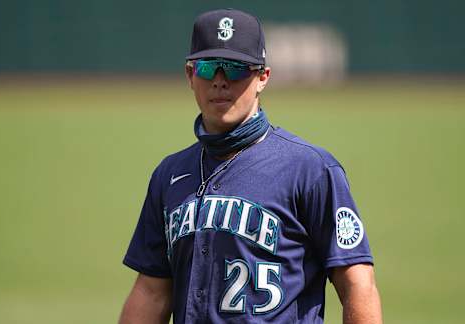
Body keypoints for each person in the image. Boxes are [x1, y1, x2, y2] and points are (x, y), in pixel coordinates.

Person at [119, 8, 382, 324]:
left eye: (234, 69)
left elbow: (357, 284)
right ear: (190, 75)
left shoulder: (310, 169)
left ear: (262, 78)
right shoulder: (170, 173)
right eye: (208, 68)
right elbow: (151, 291)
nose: (220, 81)